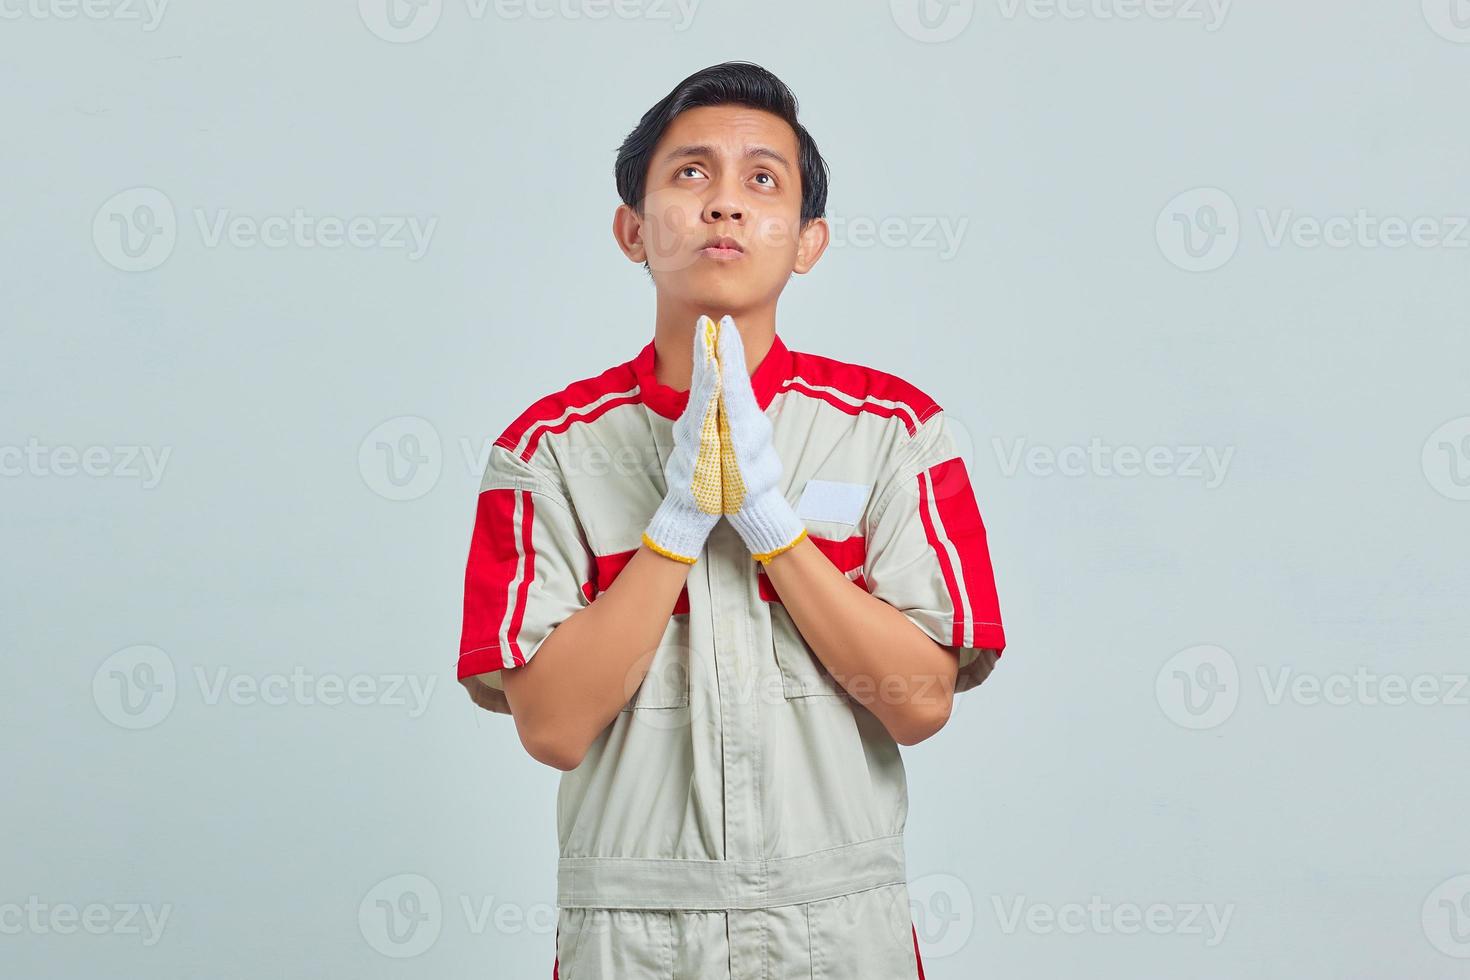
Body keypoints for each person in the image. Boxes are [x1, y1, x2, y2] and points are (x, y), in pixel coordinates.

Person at [456, 60, 1008, 979]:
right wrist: (673, 527)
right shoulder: (547, 448)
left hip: (840, 930)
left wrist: (772, 529)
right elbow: (551, 727)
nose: (725, 205)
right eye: (689, 173)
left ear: (807, 239)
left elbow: (920, 706)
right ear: (633, 231)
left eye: (763, 179)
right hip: (632, 935)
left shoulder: (894, 434)